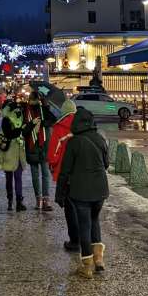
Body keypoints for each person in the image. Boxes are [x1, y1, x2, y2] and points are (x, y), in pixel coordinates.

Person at [56, 108, 109, 278]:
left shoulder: (74, 142)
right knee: (94, 220)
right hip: (100, 189)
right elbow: (106, 163)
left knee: (84, 225)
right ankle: (99, 259)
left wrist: (60, 193)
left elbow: (65, 170)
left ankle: (87, 266)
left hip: (80, 191)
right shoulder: (100, 139)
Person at [48, 99, 80, 252]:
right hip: (82, 172)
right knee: (82, 207)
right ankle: (86, 239)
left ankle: (74, 240)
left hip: (65, 173)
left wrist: (53, 165)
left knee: (70, 208)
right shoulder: (82, 125)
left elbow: (53, 155)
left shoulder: (60, 127)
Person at [23, 94, 52, 211]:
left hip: (44, 146)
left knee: (45, 174)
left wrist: (42, 123)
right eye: (32, 100)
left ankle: (46, 200)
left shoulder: (44, 110)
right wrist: (32, 124)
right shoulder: (26, 111)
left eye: (36, 100)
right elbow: (23, 131)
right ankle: (38, 200)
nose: (34, 102)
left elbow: (51, 121)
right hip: (32, 147)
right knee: (36, 175)